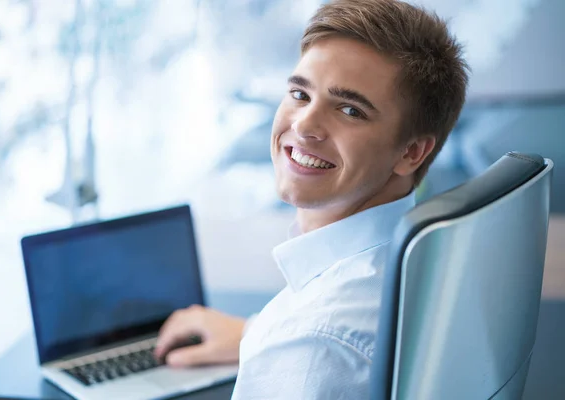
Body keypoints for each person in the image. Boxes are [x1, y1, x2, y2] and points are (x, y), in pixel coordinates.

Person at [154, 0, 469, 397]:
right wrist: (256, 334)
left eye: (351, 110)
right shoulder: (423, 258)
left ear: (411, 152)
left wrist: (285, 346)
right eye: (300, 94)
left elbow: (322, 349)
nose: (304, 126)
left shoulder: (315, 344)